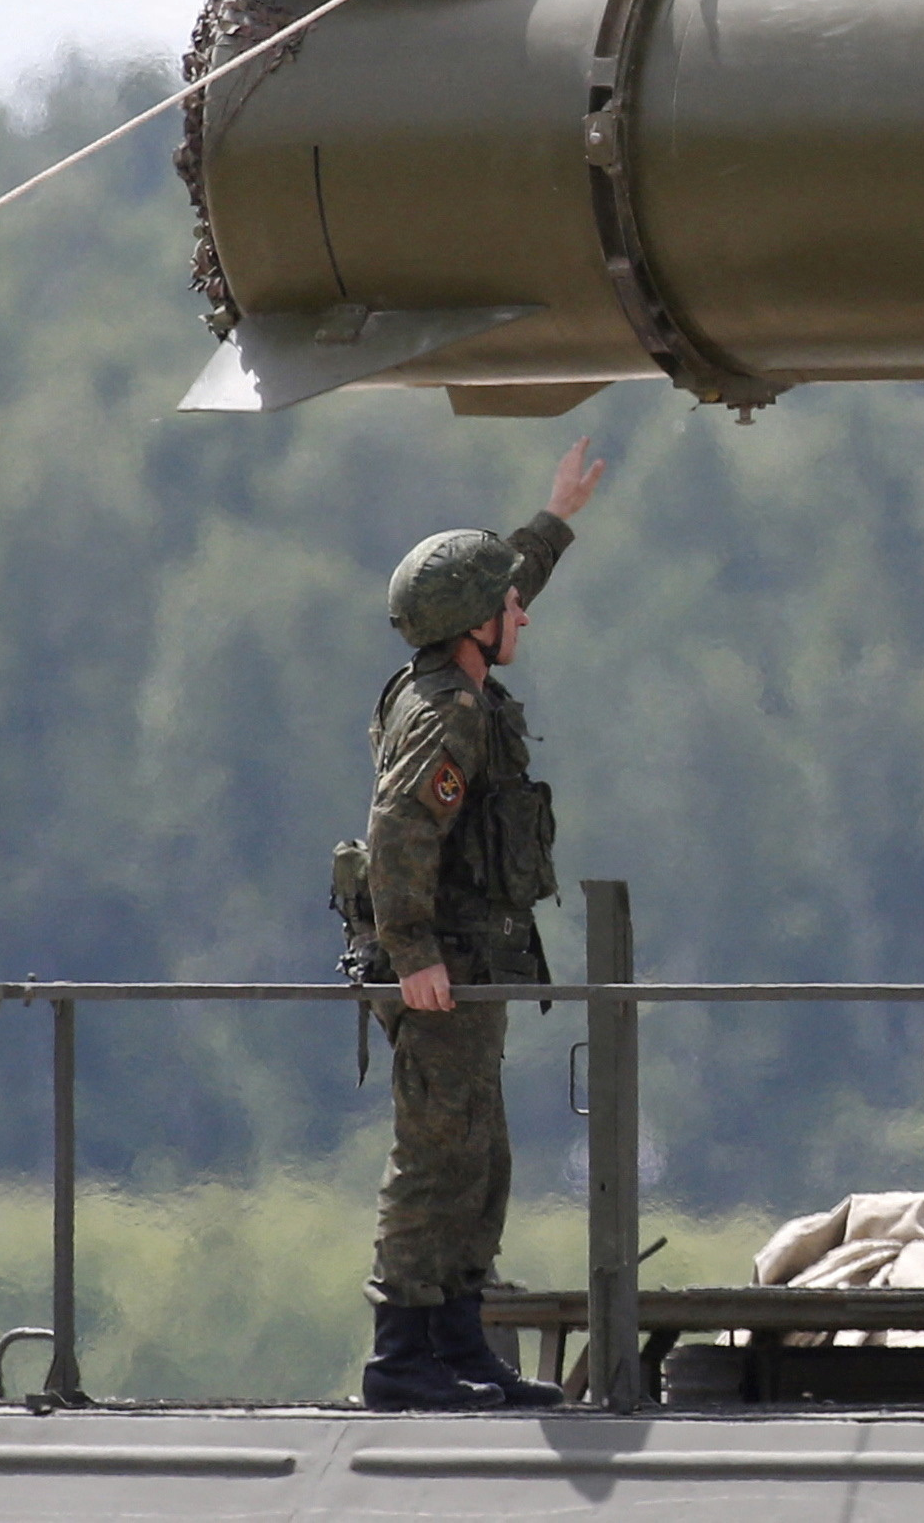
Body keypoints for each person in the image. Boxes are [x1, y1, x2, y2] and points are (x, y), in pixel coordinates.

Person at [356, 437, 609, 1411]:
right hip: (441, 967)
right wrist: (412, 952)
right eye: (511, 608)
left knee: (479, 1156)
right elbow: (401, 827)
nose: (524, 614)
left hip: (463, 961)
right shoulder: (450, 715)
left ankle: (457, 1341)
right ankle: (405, 1356)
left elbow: (493, 582)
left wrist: (557, 517)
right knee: (437, 1157)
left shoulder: (451, 673)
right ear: (475, 629)